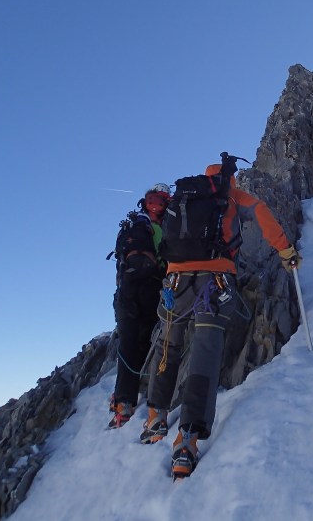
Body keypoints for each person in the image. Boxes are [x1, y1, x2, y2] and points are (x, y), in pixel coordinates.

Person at [140, 160, 301, 478]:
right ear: (230, 179)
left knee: (168, 345)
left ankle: (155, 417)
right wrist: (285, 251)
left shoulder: (185, 197)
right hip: (214, 282)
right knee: (204, 354)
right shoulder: (231, 195)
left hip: (175, 283)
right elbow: (262, 213)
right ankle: (187, 441)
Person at [107, 183, 172, 429]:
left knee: (131, 343)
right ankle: (132, 398)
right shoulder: (156, 228)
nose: (157, 205)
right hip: (149, 289)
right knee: (143, 341)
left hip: (130, 290)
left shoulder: (136, 225)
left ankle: (124, 401)